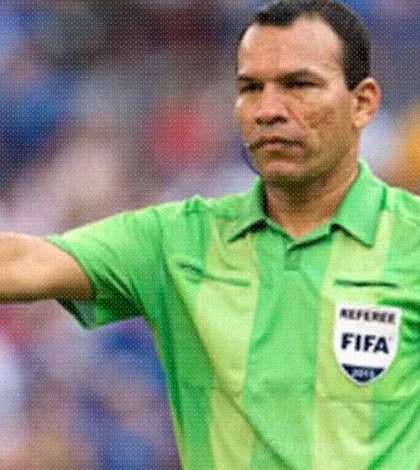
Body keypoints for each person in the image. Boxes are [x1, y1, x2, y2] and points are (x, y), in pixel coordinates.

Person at [0, 0, 419, 468]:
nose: (268, 109)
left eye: (299, 85)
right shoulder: (177, 241)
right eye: (250, 87)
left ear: (362, 103)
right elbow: (21, 264)